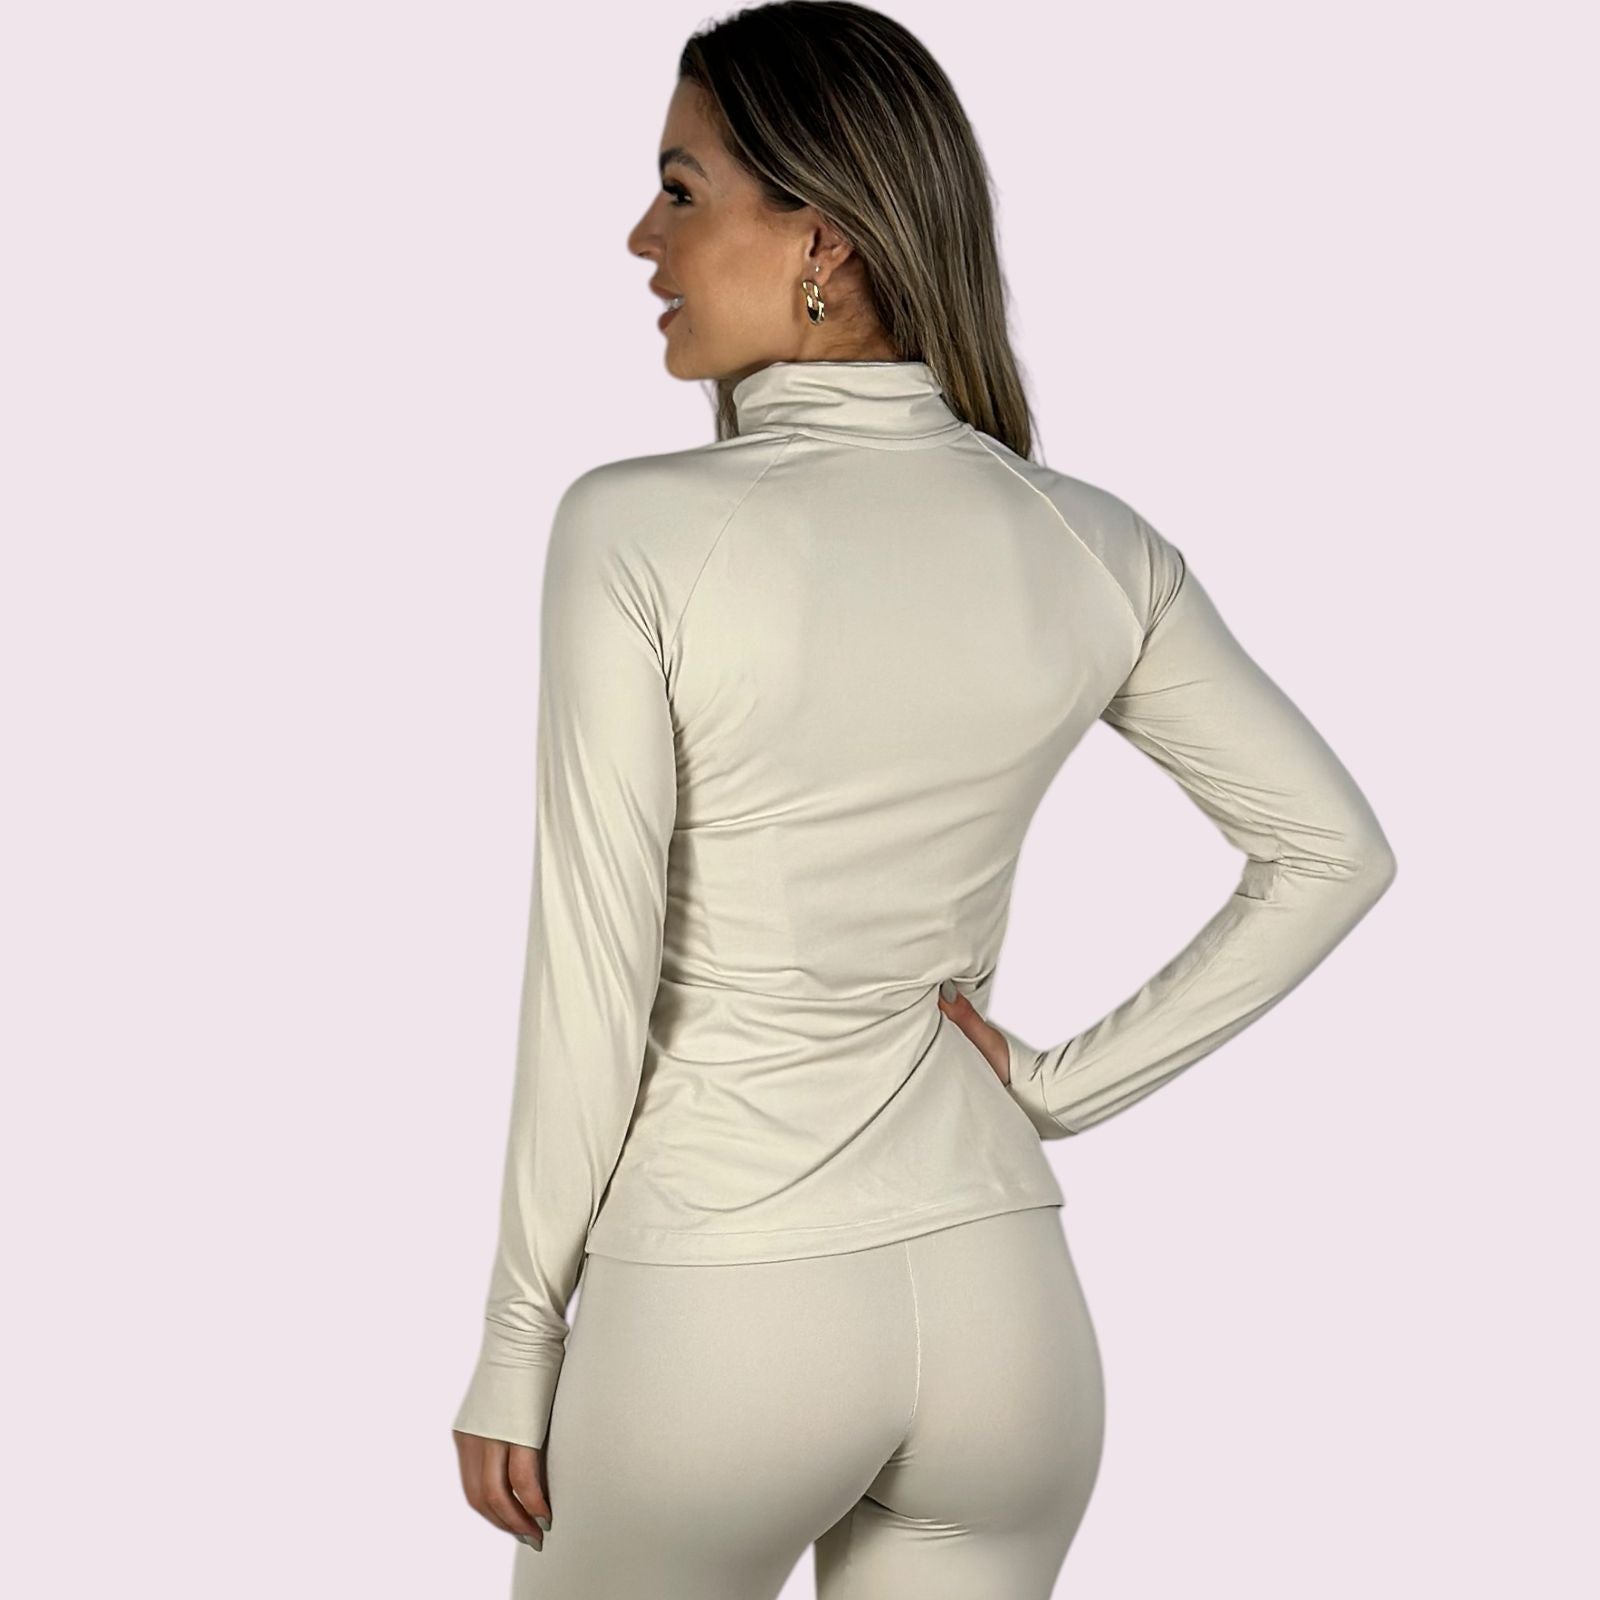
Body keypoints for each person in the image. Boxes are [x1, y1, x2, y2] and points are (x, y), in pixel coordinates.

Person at [449, 3, 1398, 1595]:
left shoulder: (632, 530)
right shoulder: (1088, 540)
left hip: (721, 1310)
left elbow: (591, 977)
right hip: (1004, 1319)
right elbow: (1333, 853)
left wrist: (516, 1335)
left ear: (821, 236)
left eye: (680, 190)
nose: (641, 239)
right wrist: (1058, 1089)